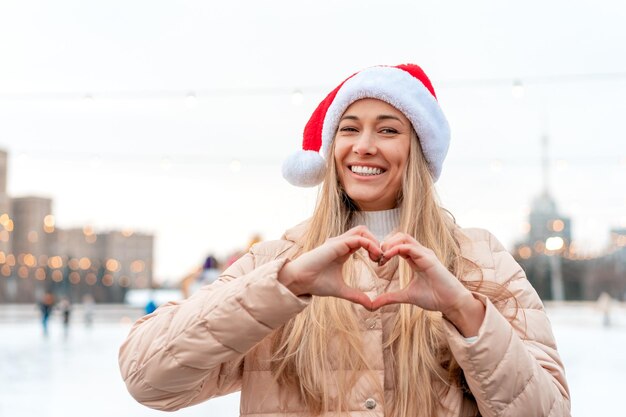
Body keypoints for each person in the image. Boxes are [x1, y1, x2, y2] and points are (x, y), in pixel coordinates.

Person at [119, 64, 570, 417]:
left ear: (420, 150)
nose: (364, 146)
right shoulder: (277, 261)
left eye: (389, 129)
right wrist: (284, 287)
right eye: (349, 129)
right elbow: (148, 379)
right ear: (331, 148)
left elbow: (549, 410)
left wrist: (466, 313)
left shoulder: (479, 259)